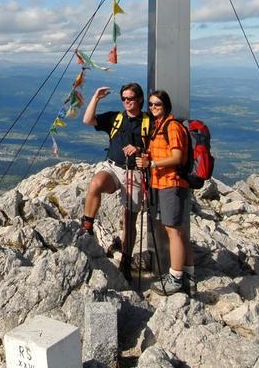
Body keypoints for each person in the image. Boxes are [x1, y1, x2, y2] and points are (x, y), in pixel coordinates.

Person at [139, 89, 195, 295]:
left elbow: (177, 157)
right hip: (162, 183)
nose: (153, 108)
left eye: (158, 105)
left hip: (171, 183)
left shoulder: (172, 127)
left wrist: (151, 163)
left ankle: (176, 277)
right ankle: (188, 274)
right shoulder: (158, 127)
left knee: (174, 231)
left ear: (166, 106)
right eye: (151, 104)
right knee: (177, 231)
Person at [79, 83, 150, 241]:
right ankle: (87, 225)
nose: (126, 101)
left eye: (130, 98)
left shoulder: (148, 122)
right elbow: (88, 120)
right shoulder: (116, 118)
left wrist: (139, 149)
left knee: (129, 219)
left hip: (135, 172)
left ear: (139, 100)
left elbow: (158, 147)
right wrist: (96, 98)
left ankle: (126, 258)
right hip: (113, 167)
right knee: (96, 183)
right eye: (123, 98)